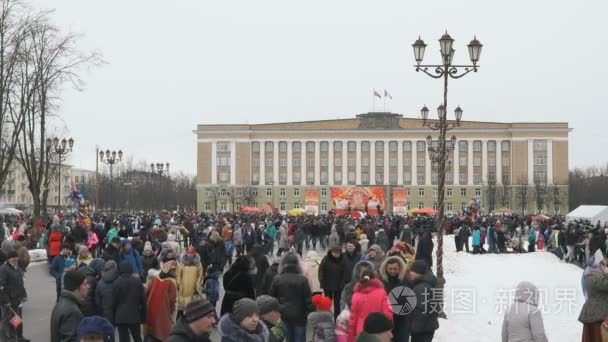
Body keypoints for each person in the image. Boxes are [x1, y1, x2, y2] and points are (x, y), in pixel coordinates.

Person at [270, 252, 315, 342]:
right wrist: (311, 311)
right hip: (300, 315)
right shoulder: (303, 280)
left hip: (284, 314)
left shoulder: (277, 278)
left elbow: (272, 298)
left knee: (289, 338)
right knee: (300, 338)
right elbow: (308, 299)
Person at [347, 268, 393, 342]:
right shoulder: (382, 292)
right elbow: (388, 314)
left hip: (361, 332)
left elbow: (353, 320)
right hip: (378, 332)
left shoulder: (356, 295)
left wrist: (350, 338)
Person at [144, 253, 179, 341]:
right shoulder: (171, 282)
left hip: (150, 312)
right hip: (163, 314)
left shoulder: (155, 278)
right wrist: (172, 318)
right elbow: (173, 302)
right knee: (161, 335)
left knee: (150, 334)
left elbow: (146, 293)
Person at [379, 256, 411, 342]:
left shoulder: (405, 281)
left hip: (402, 320)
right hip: (385, 320)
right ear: (386, 268)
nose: (392, 271)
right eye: (390, 269)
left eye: (395, 269)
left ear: (399, 268)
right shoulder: (381, 282)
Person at [50, 270, 89, 342]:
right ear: (77, 288)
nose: (88, 286)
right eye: (85, 284)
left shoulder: (62, 302)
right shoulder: (72, 311)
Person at [113, 262, 146, 342]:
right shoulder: (137, 282)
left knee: (123, 339)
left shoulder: (116, 282)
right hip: (134, 315)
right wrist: (143, 316)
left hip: (121, 316)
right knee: (137, 337)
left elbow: (114, 301)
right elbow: (143, 301)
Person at [0, 250, 29, 341]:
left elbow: (20, 282)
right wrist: (6, 300)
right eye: (12, 257)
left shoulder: (17, 267)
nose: (14, 258)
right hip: (8, 300)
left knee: (14, 321)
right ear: (8, 259)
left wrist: (24, 295)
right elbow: (1, 286)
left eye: (15, 257)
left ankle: (13, 338)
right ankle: (4, 339)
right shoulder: (4, 269)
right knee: (5, 322)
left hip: (17, 299)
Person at [579, 254, 608, 342]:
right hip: (598, 315)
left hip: (592, 313)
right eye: (604, 264)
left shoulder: (587, 275)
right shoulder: (594, 277)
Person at [408, 260, 439, 342]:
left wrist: (414, 328)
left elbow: (420, 310)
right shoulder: (427, 283)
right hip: (428, 327)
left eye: (412, 271)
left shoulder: (421, 287)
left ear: (418, 272)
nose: (410, 273)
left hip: (421, 329)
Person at [319, 246, 346, 319]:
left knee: (337, 304)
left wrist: (342, 284)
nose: (336, 255)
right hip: (327, 284)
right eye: (334, 253)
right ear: (331, 252)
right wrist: (322, 281)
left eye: (338, 253)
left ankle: (336, 318)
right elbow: (321, 270)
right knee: (327, 302)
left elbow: (344, 273)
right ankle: (327, 317)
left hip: (338, 285)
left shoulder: (343, 260)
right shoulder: (326, 258)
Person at [177, 246, 204, 314]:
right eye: (188, 253)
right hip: (184, 286)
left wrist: (198, 284)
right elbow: (179, 273)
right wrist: (179, 283)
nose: (190, 254)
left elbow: (200, 275)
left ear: (194, 253)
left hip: (193, 285)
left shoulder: (198, 263)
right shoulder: (182, 263)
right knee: (183, 303)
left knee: (191, 304)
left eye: (191, 253)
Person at [95, 260, 118, 325]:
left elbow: (98, 300)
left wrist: (100, 311)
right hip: (118, 311)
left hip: (105, 311)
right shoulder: (118, 279)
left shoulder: (100, 282)